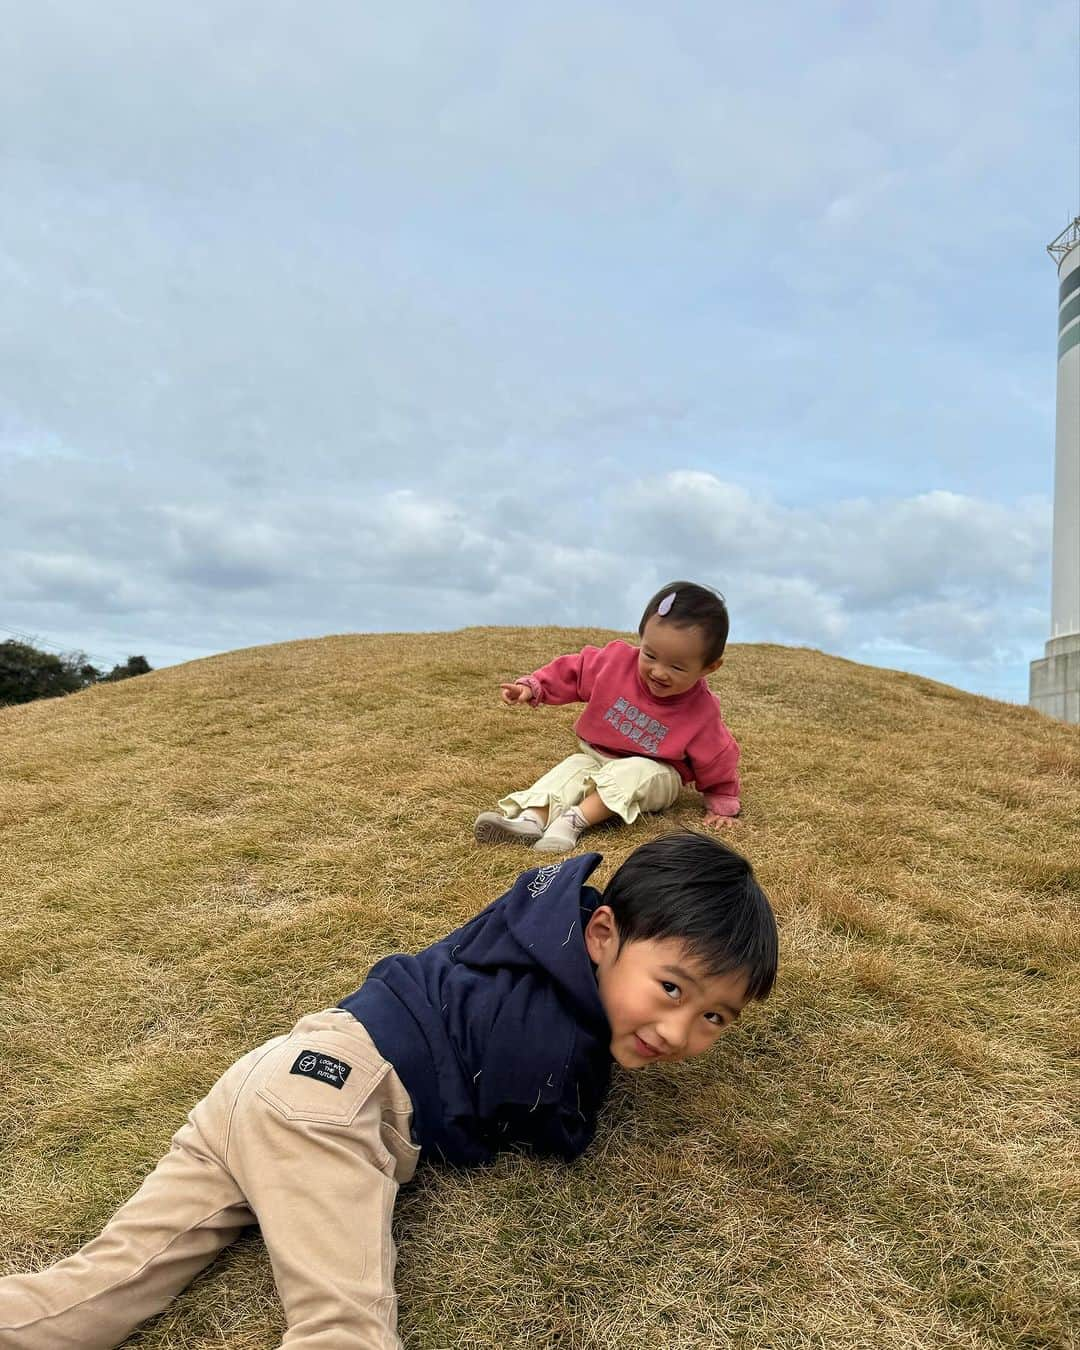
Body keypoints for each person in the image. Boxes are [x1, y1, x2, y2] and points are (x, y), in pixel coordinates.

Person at [0, 833, 778, 1350]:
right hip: (336, 1107)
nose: (678, 1031)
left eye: (714, 1016)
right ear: (603, 936)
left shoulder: (537, 922)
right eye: (671, 988)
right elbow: (538, 1129)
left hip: (278, 1071)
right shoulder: (546, 1041)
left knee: (107, 1284)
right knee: (344, 1325)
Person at [474, 580, 741, 855]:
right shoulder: (615, 663)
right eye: (649, 655)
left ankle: (571, 822)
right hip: (597, 756)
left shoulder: (701, 710)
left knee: (635, 772)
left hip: (657, 771)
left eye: (676, 666)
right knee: (572, 768)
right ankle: (531, 820)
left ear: (709, 667)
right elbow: (576, 671)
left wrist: (722, 798)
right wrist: (533, 687)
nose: (658, 672)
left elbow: (717, 755)